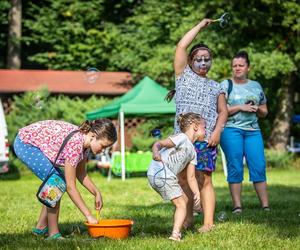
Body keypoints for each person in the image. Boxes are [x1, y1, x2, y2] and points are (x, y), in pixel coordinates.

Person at [166, 18, 228, 232]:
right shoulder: (183, 77)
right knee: (182, 179)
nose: (203, 63)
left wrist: (218, 132)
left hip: (206, 138)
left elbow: (223, 112)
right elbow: (181, 46)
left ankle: (208, 223)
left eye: (207, 59)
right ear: (191, 61)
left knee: (204, 180)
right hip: (182, 139)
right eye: (199, 59)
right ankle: (188, 218)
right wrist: (201, 26)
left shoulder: (216, 86)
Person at [13, 119, 117, 240]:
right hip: (25, 144)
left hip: (28, 142)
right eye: (103, 146)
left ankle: (40, 228)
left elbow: (81, 173)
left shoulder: (85, 144)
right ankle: (53, 234)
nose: (103, 150)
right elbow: (70, 187)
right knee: (56, 183)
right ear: (93, 136)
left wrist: (96, 193)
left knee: (56, 181)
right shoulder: (75, 144)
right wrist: (88, 215)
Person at [220, 51, 269, 213]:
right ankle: (237, 206)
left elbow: (264, 111)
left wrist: (257, 110)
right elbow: (220, 110)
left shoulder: (256, 86)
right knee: (235, 166)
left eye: (241, 65)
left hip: (253, 131)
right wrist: (241, 107)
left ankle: (265, 206)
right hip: (231, 130)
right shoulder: (225, 85)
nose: (237, 68)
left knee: (259, 165)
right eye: (234, 66)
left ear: (248, 67)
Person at [147, 112, 205, 241]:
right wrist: (156, 153)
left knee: (183, 200)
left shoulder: (193, 152)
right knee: (181, 204)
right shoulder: (181, 138)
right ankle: (175, 234)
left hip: (159, 175)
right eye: (204, 127)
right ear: (195, 127)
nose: (206, 131)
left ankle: (179, 227)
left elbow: (191, 177)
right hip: (161, 173)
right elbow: (158, 144)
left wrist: (197, 193)